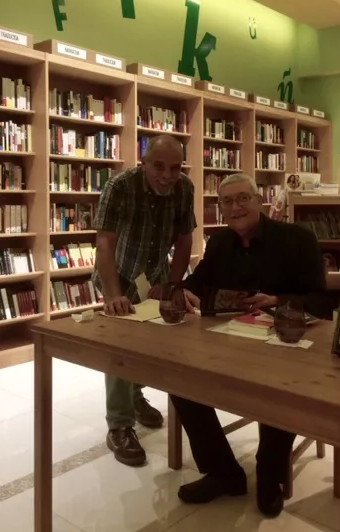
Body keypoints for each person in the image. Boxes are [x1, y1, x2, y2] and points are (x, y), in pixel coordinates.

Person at [170, 172, 328, 518]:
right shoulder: (219, 243)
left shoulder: (297, 239)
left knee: (277, 386)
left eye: (243, 198)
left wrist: (278, 300)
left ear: (259, 201)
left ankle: (270, 474)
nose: (235, 207)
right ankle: (223, 472)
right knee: (179, 378)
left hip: (284, 345)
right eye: (227, 201)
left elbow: (322, 301)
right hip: (231, 343)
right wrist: (183, 290)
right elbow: (199, 280)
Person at [93, 134, 198, 467]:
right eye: (158, 166)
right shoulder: (119, 186)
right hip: (118, 273)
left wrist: (172, 284)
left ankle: (135, 394)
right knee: (120, 346)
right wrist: (113, 295)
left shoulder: (185, 188)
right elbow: (104, 243)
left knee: (153, 344)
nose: (167, 175)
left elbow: (184, 240)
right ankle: (119, 425)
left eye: (175, 167)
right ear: (144, 163)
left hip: (155, 275)